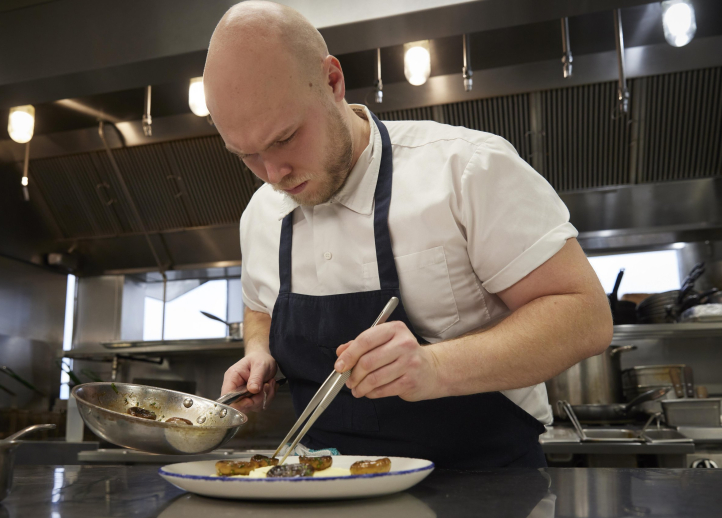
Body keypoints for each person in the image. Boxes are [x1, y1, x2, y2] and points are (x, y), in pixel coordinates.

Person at [206, 1, 612, 469]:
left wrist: (435, 367)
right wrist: (258, 351)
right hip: (322, 504)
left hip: (484, 502)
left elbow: (585, 316)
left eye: (284, 138)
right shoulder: (261, 212)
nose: (273, 173)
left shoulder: (466, 169)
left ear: (333, 81)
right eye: (245, 155)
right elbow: (260, 304)